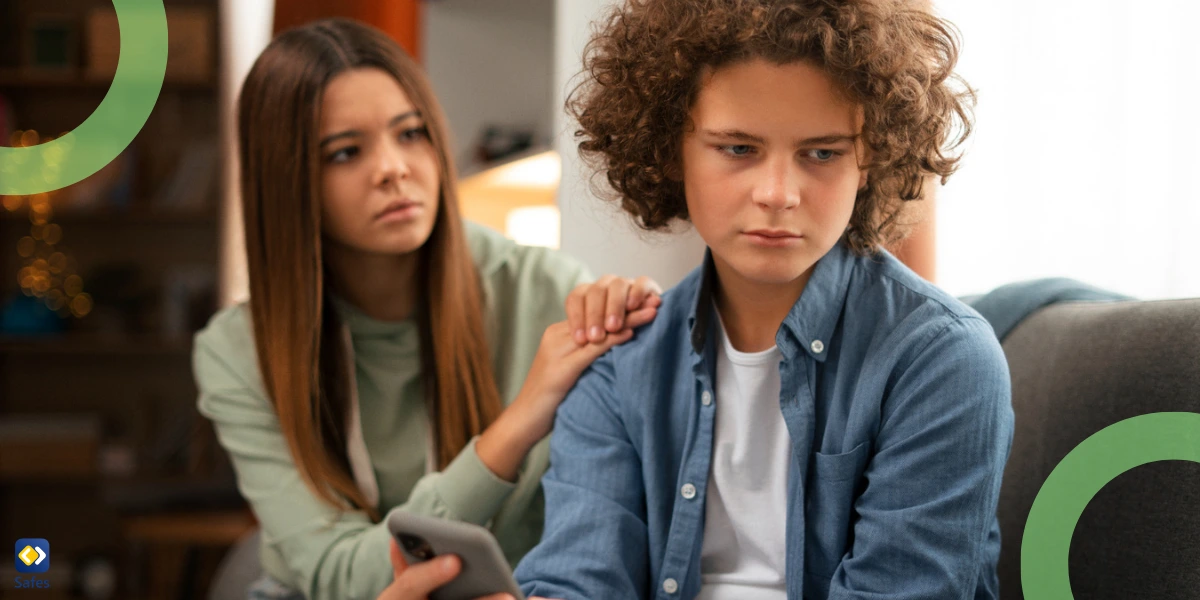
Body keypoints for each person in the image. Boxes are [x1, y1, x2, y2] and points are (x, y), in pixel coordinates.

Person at [515, 1, 1014, 598]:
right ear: (672, 150)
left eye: (822, 153)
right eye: (738, 149)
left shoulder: (940, 359)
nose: (778, 194)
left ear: (871, 158)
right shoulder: (618, 363)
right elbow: (578, 579)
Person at [193, 18, 661, 600]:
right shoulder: (239, 350)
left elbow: (607, 526)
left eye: (410, 133)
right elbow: (335, 573)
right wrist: (517, 424)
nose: (393, 168)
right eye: (345, 152)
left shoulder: (544, 291)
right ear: (288, 180)